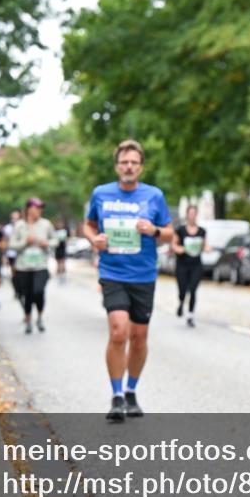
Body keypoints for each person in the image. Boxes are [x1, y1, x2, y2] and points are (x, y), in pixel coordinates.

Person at [84, 140, 172, 422]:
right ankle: (117, 395)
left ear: (141, 167)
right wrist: (93, 239)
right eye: (124, 162)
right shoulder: (101, 194)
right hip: (113, 272)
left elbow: (170, 233)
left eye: (134, 162)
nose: (129, 167)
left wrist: (155, 230)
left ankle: (132, 390)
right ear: (117, 166)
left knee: (139, 337)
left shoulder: (154, 196)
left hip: (144, 274)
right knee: (119, 331)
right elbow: (88, 224)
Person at [11, 198, 58, 334]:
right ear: (28, 209)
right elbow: (12, 245)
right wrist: (25, 242)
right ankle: (28, 320)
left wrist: (47, 243)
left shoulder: (46, 224)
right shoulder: (19, 225)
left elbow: (55, 240)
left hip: (40, 266)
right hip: (23, 267)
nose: (39, 210)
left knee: (38, 291)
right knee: (27, 294)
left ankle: (40, 317)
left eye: (40, 208)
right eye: (36, 207)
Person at [172, 205, 210, 327]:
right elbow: (174, 244)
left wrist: (208, 248)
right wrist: (179, 249)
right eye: (190, 213)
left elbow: (204, 245)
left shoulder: (202, 231)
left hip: (196, 265)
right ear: (187, 214)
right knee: (182, 289)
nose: (192, 215)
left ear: (196, 214)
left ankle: (190, 315)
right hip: (182, 264)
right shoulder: (180, 230)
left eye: (194, 213)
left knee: (193, 289)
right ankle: (181, 302)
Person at [4, 210, 22, 301]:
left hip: (21, 254)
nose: (15, 219)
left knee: (21, 273)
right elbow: (5, 242)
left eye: (17, 218)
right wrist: (5, 256)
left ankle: (21, 289)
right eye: (13, 218)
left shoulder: (23, 227)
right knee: (14, 274)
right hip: (11, 254)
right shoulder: (7, 228)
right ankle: (16, 290)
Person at [54, 218, 68, 284]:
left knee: (62, 260)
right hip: (57, 248)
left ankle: (62, 270)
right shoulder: (55, 231)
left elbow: (68, 239)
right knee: (58, 261)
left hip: (62, 248)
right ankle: (59, 270)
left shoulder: (65, 231)